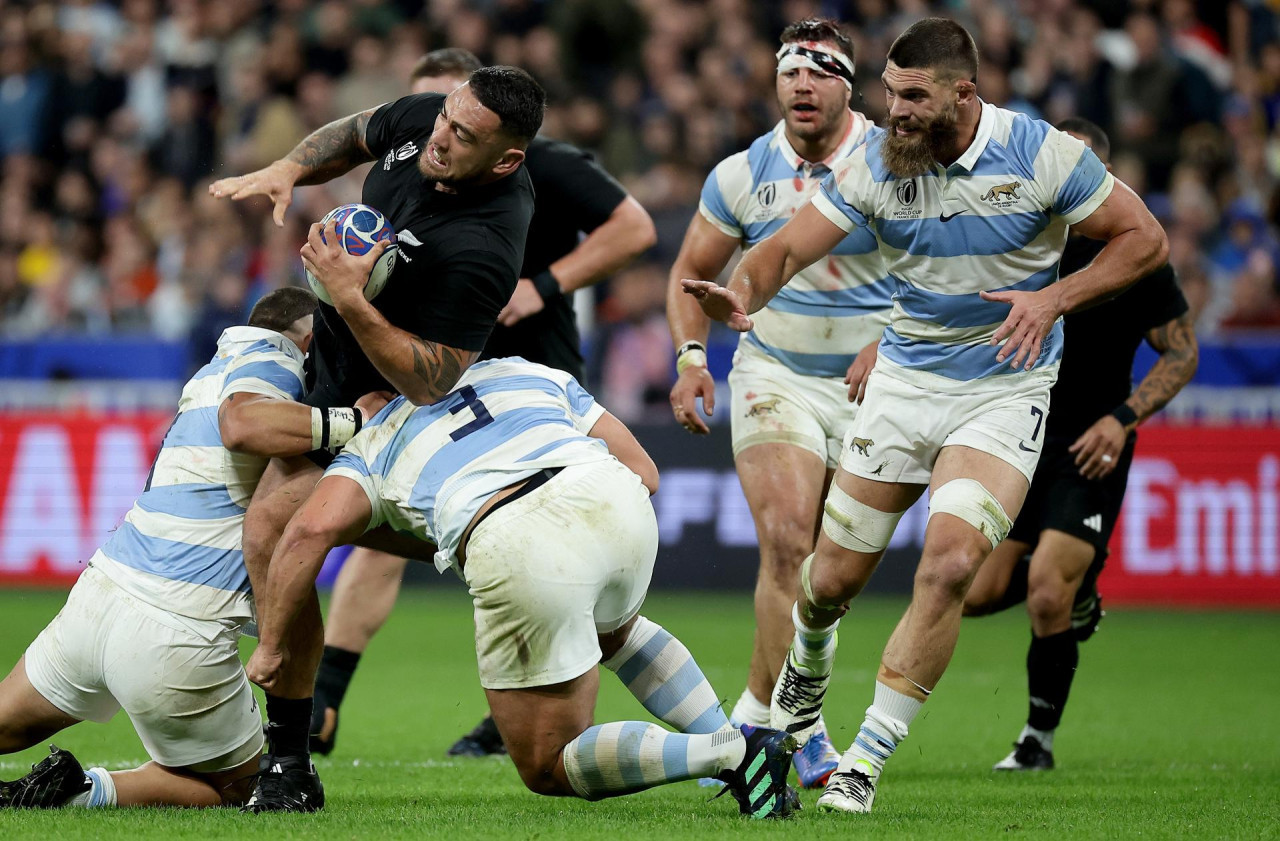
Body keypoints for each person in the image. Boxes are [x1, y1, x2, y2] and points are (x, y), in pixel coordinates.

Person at [684, 18, 1168, 814]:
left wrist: (1053, 298)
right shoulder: (877, 162)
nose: (893, 111)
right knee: (828, 583)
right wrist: (744, 294)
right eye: (888, 92)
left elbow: (1144, 240)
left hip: (1003, 392)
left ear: (962, 94)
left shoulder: (1042, 155)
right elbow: (783, 251)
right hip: (904, 387)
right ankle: (802, 692)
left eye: (911, 96)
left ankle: (864, 761)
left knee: (947, 564)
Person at [246, 358, 801, 819]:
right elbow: (647, 472)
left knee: (546, 762)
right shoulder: (521, 370)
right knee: (616, 633)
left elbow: (309, 531)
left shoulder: (376, 436)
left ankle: (727, 752)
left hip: (516, 538)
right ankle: (748, 764)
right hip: (615, 500)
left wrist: (272, 647)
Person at [208, 65, 546, 811]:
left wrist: (351, 296)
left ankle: (289, 755)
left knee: (276, 527)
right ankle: (289, 759)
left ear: (507, 158)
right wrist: (290, 167)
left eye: (463, 135)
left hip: (400, 406)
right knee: (272, 528)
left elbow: (433, 378)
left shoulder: (485, 244)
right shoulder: (431, 119)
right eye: (445, 118)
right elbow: (358, 131)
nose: (440, 137)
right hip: (336, 371)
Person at [310, 48, 657, 760]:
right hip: (444, 375)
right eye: (433, 115)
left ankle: (547, 714)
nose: (434, 137)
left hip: (530, 378)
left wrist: (546, 285)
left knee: (553, 548)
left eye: (457, 121)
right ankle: (325, 701)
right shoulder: (416, 163)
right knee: (389, 514)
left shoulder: (546, 166)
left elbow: (636, 229)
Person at [0, 289, 380, 809]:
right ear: (311, 340)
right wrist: (355, 422)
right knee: (247, 787)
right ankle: (78, 793)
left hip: (98, 599)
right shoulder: (273, 360)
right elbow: (242, 424)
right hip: (175, 629)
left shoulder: (209, 372)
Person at [665, 18, 892, 789]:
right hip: (775, 372)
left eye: (823, 70)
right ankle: (803, 730)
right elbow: (691, 272)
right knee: (789, 541)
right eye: (792, 70)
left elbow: (940, 268)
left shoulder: (893, 160)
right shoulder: (740, 174)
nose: (804, 82)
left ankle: (760, 711)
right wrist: (692, 355)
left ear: (849, 86)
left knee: (831, 577)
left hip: (878, 385)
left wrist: (894, 339)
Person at [962, 118, 1199, 771]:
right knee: (977, 592)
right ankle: (1078, 581)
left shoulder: (1136, 254)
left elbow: (1181, 352)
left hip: (1089, 445)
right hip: (1017, 434)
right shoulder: (1016, 243)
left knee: (1043, 590)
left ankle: (1036, 741)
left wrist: (1122, 418)